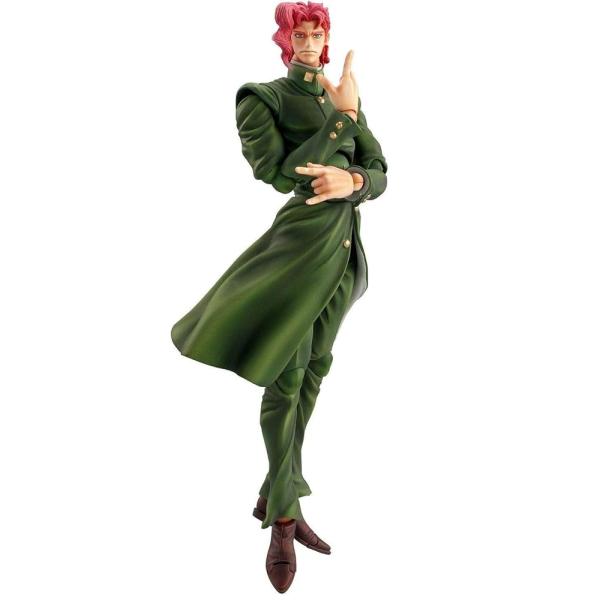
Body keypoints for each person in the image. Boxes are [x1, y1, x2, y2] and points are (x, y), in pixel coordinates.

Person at [171, 1, 387, 593]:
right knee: (286, 382)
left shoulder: (342, 94)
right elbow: (278, 172)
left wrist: (354, 180)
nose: (311, 43)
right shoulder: (262, 97)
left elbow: (381, 169)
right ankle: (284, 522)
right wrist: (342, 121)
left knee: (316, 371)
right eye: (302, 34)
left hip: (343, 254)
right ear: (285, 40)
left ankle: (276, 489)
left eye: (319, 33)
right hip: (297, 252)